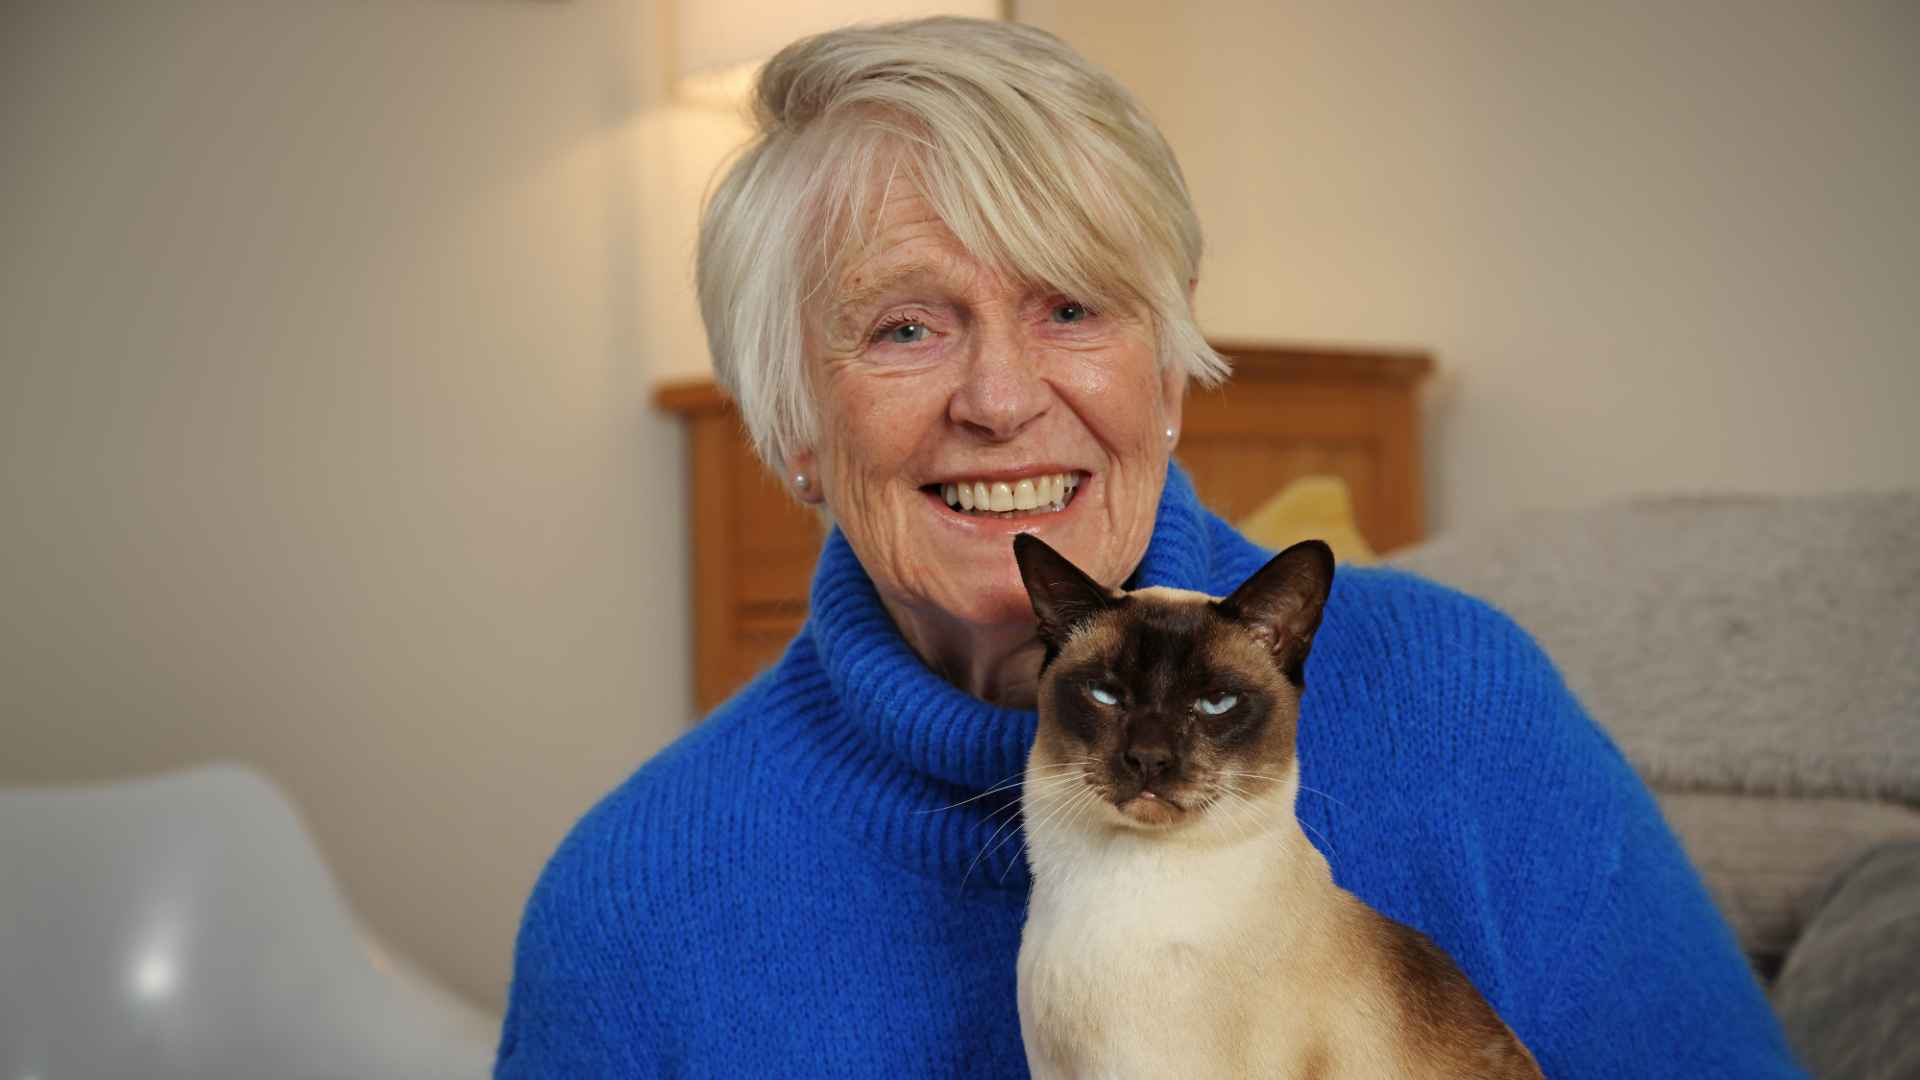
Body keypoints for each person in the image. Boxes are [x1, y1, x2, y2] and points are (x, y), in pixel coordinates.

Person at [496, 17, 1802, 1078]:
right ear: (788, 422)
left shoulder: (1463, 707)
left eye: (1071, 306)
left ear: (1169, 369)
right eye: (903, 327)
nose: (1000, 401)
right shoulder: (632, 904)